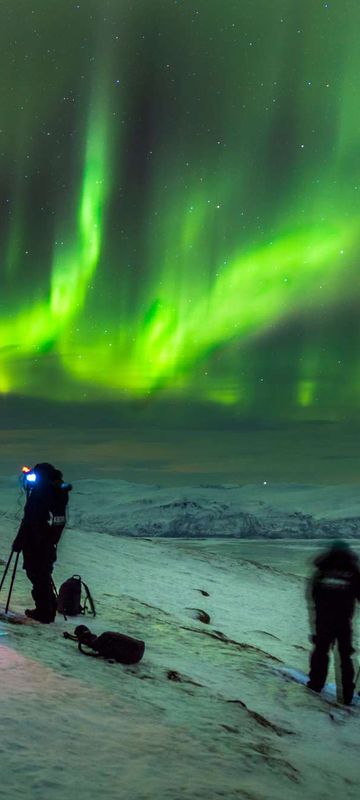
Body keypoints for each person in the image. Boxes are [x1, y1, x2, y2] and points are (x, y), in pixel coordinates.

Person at [12, 463, 72, 623]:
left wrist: (50, 538)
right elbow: (29, 518)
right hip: (33, 538)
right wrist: (20, 539)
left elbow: (59, 519)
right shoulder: (43, 489)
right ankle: (48, 607)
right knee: (37, 573)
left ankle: (45, 611)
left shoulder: (52, 492)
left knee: (39, 574)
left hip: (40, 540)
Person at [307, 540, 360, 705]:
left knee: (320, 652)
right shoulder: (353, 572)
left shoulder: (322, 571)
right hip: (343, 621)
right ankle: (347, 696)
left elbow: (313, 595)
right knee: (345, 657)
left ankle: (315, 686)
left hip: (323, 620)